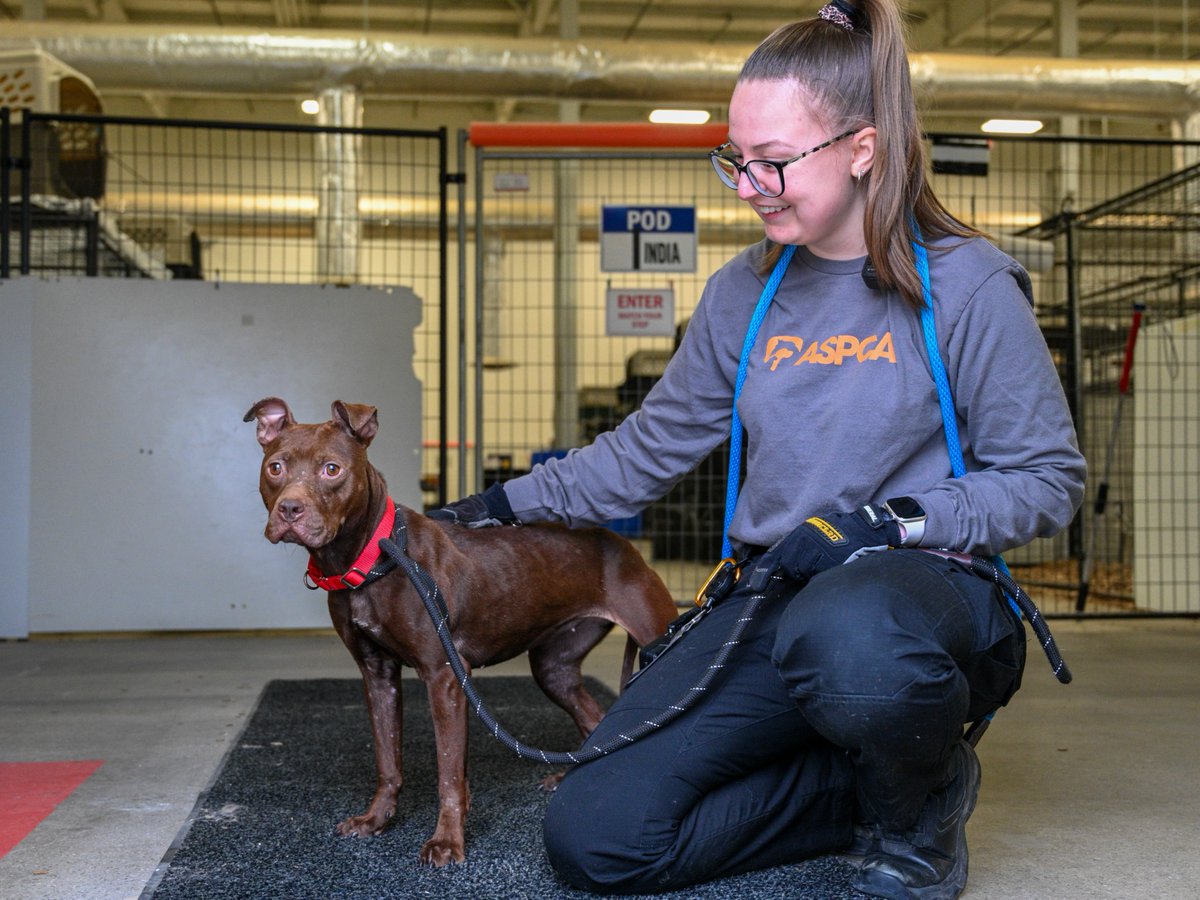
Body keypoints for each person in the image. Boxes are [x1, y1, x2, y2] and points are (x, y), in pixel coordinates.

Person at [431, 1, 1085, 897]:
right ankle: (859, 784)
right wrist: (495, 505)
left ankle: (917, 807)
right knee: (598, 835)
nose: (748, 185)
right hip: (774, 598)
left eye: (774, 162)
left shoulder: (968, 285)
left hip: (919, 601)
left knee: (852, 636)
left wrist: (889, 524)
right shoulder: (745, 292)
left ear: (864, 147)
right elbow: (647, 449)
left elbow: (1049, 482)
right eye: (736, 160)